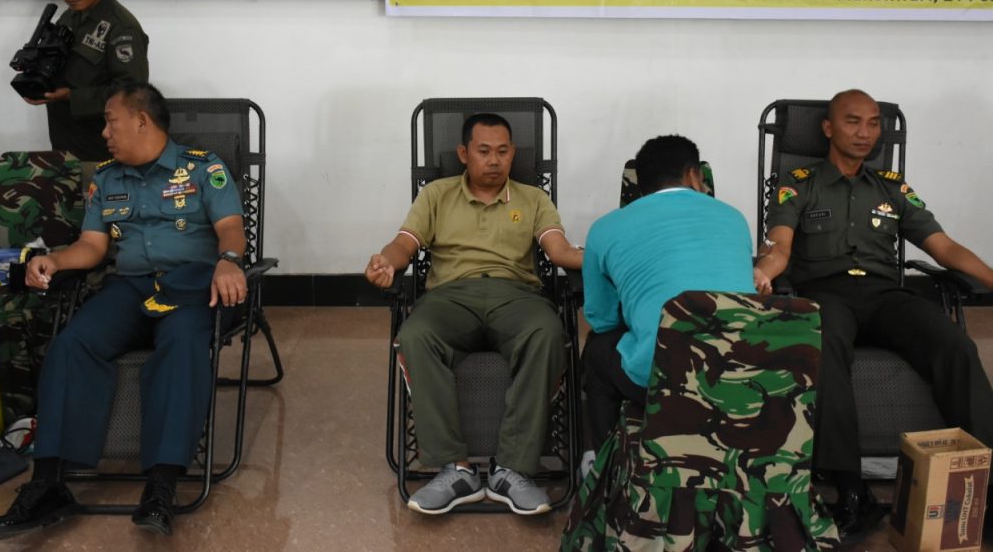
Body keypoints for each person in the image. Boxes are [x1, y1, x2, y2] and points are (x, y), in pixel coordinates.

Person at [0, 80, 246, 540]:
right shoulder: (105, 178)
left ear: (141, 121)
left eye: (110, 121)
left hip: (190, 286)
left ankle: (161, 484)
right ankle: (48, 484)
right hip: (129, 288)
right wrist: (55, 260)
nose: (104, 132)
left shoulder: (204, 168)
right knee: (72, 344)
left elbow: (231, 227)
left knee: (181, 345)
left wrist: (229, 261)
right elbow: (92, 246)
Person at [755, 89, 993, 540]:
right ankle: (851, 490)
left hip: (886, 296)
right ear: (828, 128)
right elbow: (780, 246)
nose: (865, 132)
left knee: (956, 346)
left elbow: (945, 248)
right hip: (826, 293)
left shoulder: (892, 187)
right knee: (824, 344)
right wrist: (763, 272)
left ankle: (986, 483)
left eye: (873, 123)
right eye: (852, 121)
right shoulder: (798, 183)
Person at [365, 113, 583, 516]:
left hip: (516, 296)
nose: (494, 160)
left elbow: (560, 251)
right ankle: (455, 470)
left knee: (547, 333)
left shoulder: (533, 199)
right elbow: (404, 244)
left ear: (513, 153)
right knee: (415, 334)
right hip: (450, 296)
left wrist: (610, 255)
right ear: (464, 154)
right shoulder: (437, 194)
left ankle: (512, 470)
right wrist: (387, 262)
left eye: (503, 151)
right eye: (484, 151)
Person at [582, 135, 756, 449]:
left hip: (663, 378)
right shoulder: (734, 218)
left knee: (598, 350)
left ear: (640, 184)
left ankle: (601, 461)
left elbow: (602, 320)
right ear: (693, 175)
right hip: (745, 372)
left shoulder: (604, 228)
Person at [22, 0, 149, 163]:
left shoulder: (121, 27)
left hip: (102, 148)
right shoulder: (70, 16)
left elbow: (131, 92)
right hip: (66, 141)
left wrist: (72, 97)